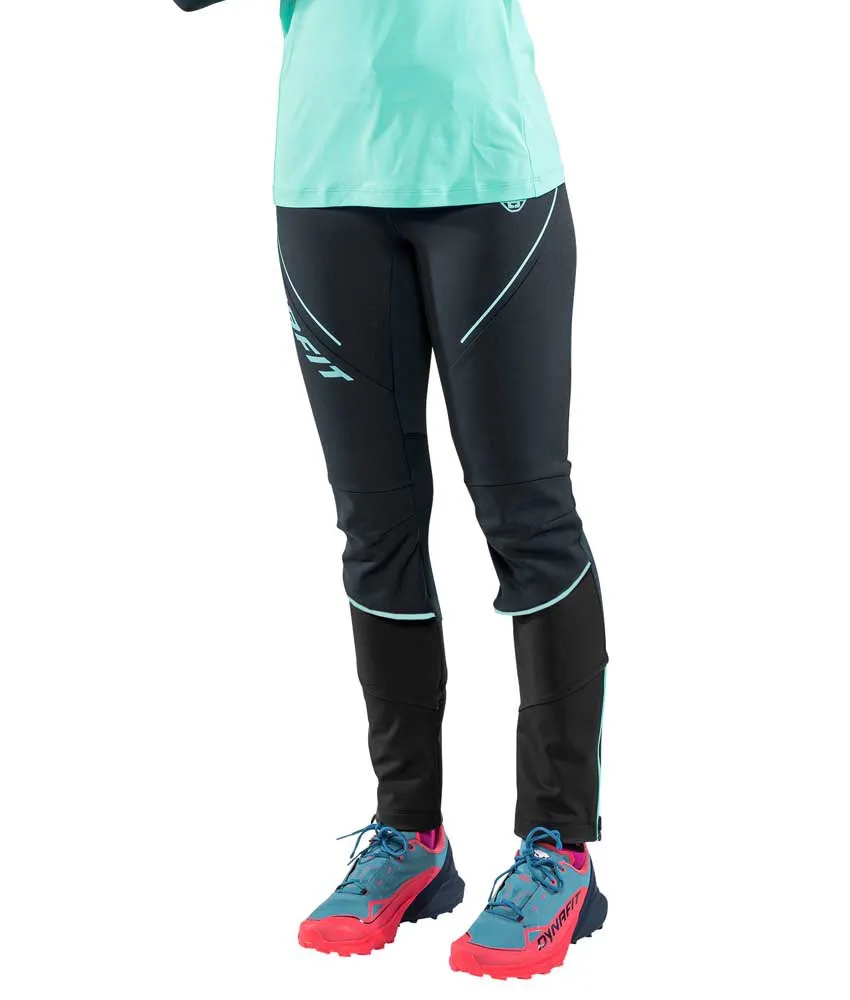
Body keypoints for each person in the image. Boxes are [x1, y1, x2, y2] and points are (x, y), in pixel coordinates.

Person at [173, 0, 609, 978]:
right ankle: (410, 834)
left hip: (485, 172)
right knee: (375, 526)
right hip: (327, 178)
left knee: (528, 517)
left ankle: (560, 850)